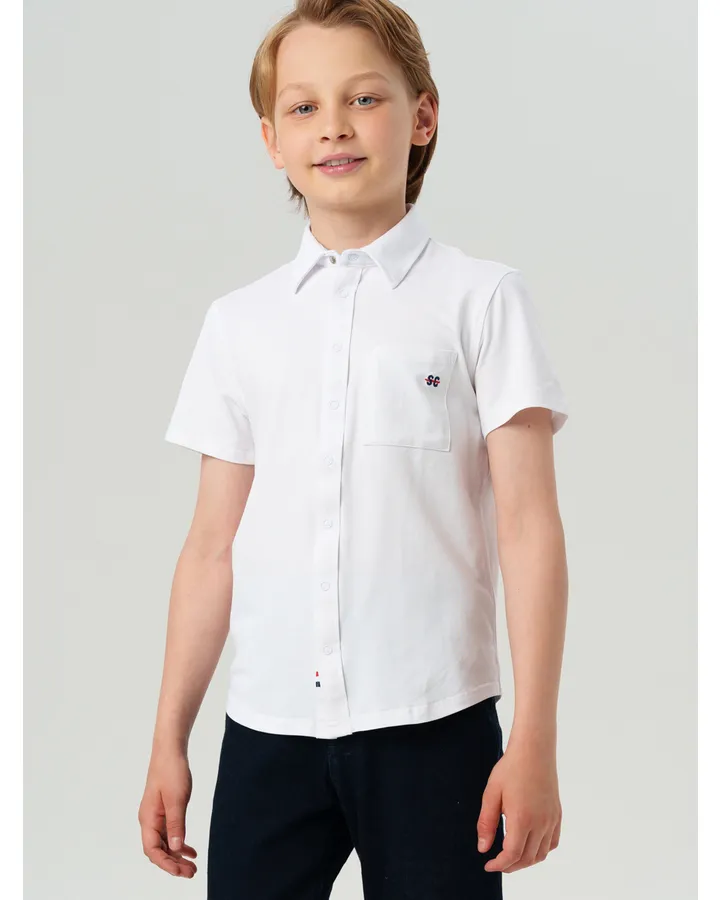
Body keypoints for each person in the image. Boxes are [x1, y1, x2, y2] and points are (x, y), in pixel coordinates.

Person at [138, 1, 570, 897]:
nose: (333, 125)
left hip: (436, 729)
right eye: (303, 107)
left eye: (364, 98)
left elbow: (529, 530)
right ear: (272, 140)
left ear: (423, 117)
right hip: (268, 731)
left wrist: (534, 739)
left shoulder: (481, 300)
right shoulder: (240, 324)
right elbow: (212, 547)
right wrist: (168, 740)